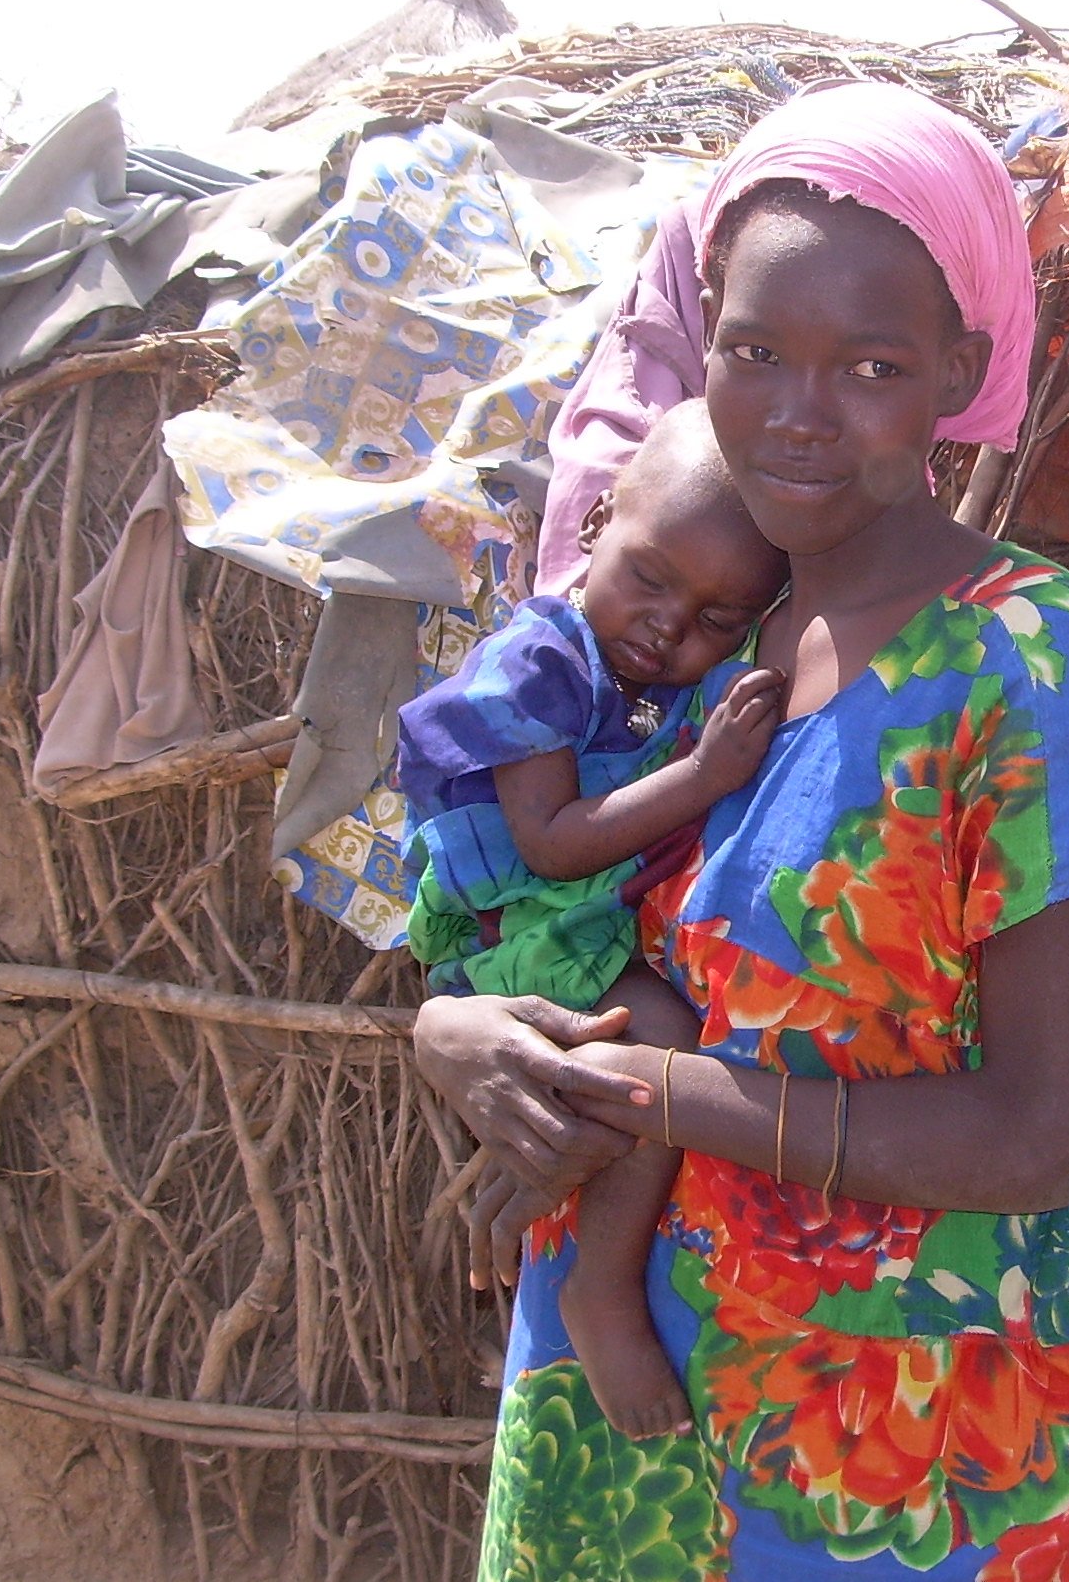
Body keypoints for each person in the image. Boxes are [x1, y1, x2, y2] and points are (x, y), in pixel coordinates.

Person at [415, 80, 1069, 1580]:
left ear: (960, 369)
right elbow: (544, 905)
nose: (800, 414)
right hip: (624, 1415)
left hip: (894, 1454)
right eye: (755, 352)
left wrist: (660, 1092)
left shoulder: (1022, 654)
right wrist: (445, 1032)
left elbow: (1036, 1138)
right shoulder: (694, 641)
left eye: (873, 364)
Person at [396, 399, 786, 1440]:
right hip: (511, 927)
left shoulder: (643, 676)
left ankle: (564, 1177)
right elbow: (553, 843)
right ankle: (600, 1291)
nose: (668, 626)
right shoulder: (544, 660)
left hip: (565, 918)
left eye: (715, 618)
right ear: (597, 519)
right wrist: (707, 774)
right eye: (651, 578)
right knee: (653, 1036)